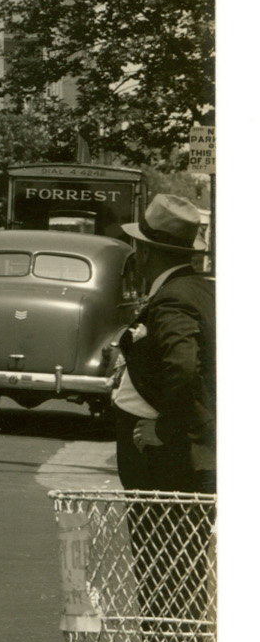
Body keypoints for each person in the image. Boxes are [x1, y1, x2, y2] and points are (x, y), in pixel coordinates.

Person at [116, 193, 214, 492]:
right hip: (172, 449)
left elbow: (183, 367)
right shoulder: (197, 290)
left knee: (155, 523)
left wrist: (165, 429)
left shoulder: (174, 297)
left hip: (161, 455)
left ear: (145, 252)